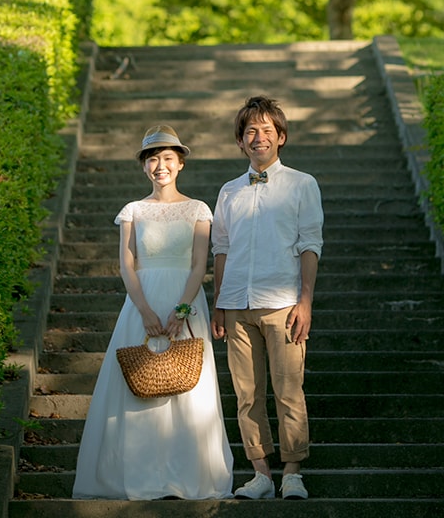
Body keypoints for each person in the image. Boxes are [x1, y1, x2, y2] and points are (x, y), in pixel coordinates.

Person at [72, 124, 233, 501]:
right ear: (145, 166)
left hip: (185, 301)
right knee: (137, 389)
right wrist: (144, 309)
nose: (160, 166)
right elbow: (127, 263)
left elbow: (199, 264)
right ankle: (137, 474)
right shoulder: (133, 210)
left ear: (180, 164)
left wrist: (181, 309)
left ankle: (185, 475)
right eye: (152, 159)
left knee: (187, 389)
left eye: (167, 159)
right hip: (141, 303)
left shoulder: (198, 209)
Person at [211, 96, 323, 501]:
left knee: (289, 388)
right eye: (250, 132)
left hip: (283, 304)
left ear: (281, 137)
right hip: (237, 306)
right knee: (246, 393)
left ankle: (292, 472)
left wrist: (305, 301)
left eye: (266, 131)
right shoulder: (228, 192)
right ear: (240, 142)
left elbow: (311, 244)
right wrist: (219, 303)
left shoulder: (302, 184)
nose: (259, 138)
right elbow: (220, 249)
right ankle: (260, 473)